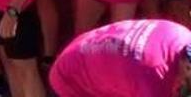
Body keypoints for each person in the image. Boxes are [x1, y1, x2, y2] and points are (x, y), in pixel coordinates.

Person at [49, 19, 191, 97]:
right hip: (72, 80)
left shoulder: (183, 34)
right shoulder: (154, 77)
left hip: (86, 52)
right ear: (187, 66)